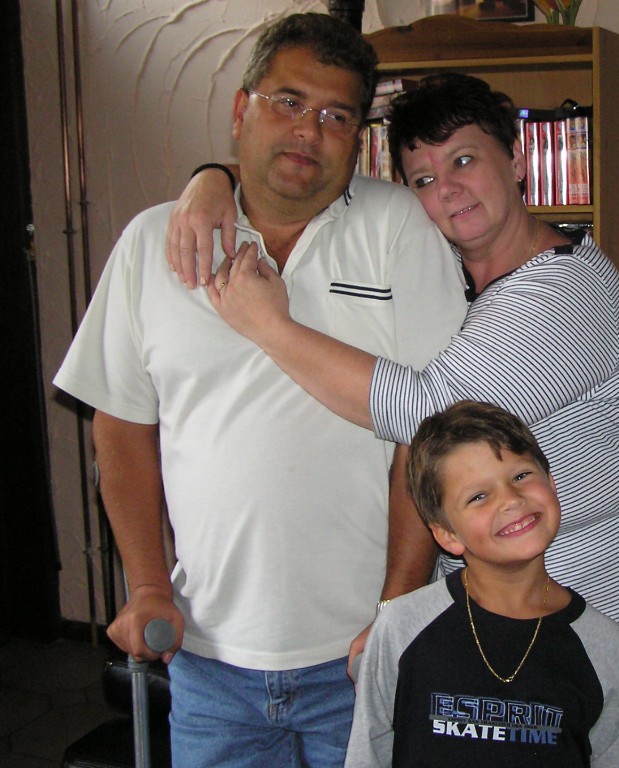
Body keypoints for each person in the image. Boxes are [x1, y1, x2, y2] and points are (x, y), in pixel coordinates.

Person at [171, 72, 619, 765]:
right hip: (495, 614)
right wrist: (214, 178)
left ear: (517, 160)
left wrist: (270, 325)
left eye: (464, 160)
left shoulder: (565, 288)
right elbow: (310, 182)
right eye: (422, 178)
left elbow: (430, 414)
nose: (446, 189)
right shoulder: (452, 272)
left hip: (601, 611)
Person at [53, 15, 466, 768]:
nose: (309, 130)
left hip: (358, 650)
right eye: (289, 102)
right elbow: (122, 427)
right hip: (209, 655)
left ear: (357, 136)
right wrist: (147, 586)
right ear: (241, 110)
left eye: (337, 115)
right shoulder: (153, 242)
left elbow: (430, 432)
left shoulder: (397, 229)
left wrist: (397, 607)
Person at [345, 400, 619, 768]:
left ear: (551, 483)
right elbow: (369, 752)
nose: (511, 500)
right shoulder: (402, 628)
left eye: (521, 476)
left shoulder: (604, 646)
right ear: (447, 534)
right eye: (478, 496)